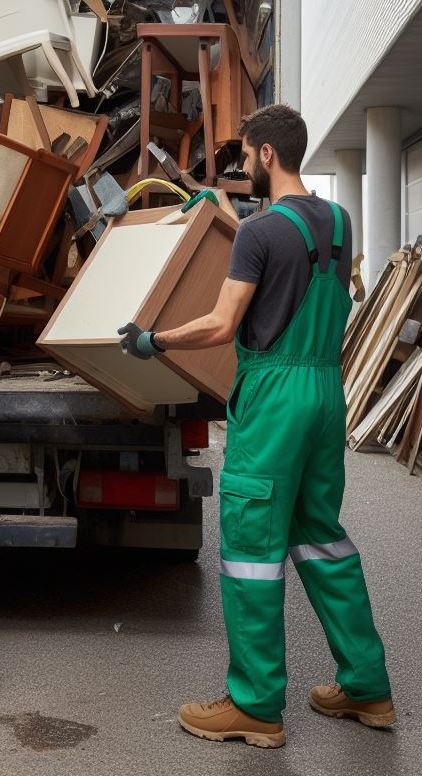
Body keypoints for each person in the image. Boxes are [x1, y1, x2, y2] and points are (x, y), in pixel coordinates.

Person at [118, 104, 393, 748]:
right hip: (327, 388)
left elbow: (219, 324)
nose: (243, 163)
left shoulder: (259, 231)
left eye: (246, 153)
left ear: (266, 153)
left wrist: (153, 340)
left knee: (250, 549)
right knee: (322, 538)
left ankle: (255, 705)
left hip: (274, 396)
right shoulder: (338, 223)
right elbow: (296, 265)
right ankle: (366, 687)